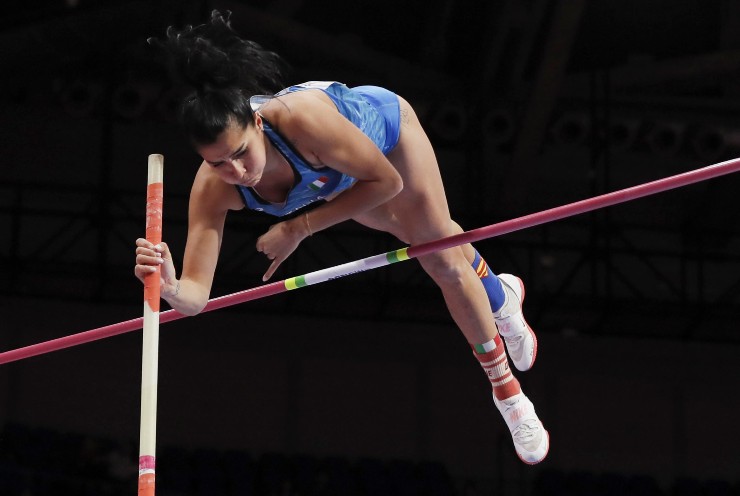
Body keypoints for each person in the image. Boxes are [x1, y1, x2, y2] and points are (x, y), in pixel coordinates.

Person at [134, 10, 548, 464]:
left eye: (240, 154)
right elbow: (196, 298)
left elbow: (386, 182)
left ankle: (508, 394)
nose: (237, 172)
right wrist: (171, 287)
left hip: (388, 140)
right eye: (218, 163)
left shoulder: (303, 122)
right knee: (434, 237)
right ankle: (500, 294)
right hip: (339, 181)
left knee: (440, 256)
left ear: (257, 125)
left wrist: (299, 227)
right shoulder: (214, 190)